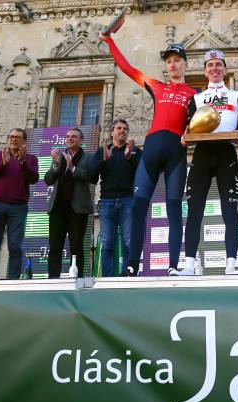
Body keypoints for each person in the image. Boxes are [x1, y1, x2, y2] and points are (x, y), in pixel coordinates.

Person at [100, 32, 198, 276]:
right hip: (152, 149)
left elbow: (205, 122)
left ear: (186, 63)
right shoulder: (157, 86)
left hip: (176, 152)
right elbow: (126, 68)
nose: (173, 64)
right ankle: (132, 265)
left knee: (173, 209)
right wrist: (109, 41)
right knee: (138, 208)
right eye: (169, 61)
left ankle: (174, 265)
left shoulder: (195, 94)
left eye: (177, 59)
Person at [175, 49, 238, 276]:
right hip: (202, 154)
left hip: (226, 154)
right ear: (205, 70)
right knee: (195, 210)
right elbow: (187, 130)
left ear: (225, 70)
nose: (215, 69)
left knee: (230, 211)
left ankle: (231, 265)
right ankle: (189, 264)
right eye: (211, 65)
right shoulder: (195, 99)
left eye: (219, 64)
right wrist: (184, 136)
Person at [0, 128, 39, 279]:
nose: (14, 139)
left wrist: (22, 163)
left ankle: (13, 280)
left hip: (18, 207)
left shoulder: (31, 159)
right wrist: (2, 163)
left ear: (24, 141)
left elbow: (33, 179)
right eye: (11, 136)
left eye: (18, 137)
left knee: (15, 246)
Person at [89, 119, 141, 277]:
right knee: (107, 243)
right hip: (107, 202)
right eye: (119, 128)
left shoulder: (135, 151)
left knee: (129, 242)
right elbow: (91, 177)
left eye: (125, 129)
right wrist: (103, 160)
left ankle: (127, 276)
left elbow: (143, 174)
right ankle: (108, 279)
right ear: (112, 132)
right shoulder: (102, 150)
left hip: (128, 200)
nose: (122, 131)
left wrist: (130, 158)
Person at [44, 127, 93, 278]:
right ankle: (53, 280)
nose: (70, 138)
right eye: (67, 136)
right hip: (58, 208)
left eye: (74, 136)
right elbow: (48, 180)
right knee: (54, 247)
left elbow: (90, 176)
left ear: (81, 141)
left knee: (77, 247)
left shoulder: (88, 158)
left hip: (77, 210)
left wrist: (72, 168)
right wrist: (55, 165)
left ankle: (77, 279)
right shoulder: (59, 156)